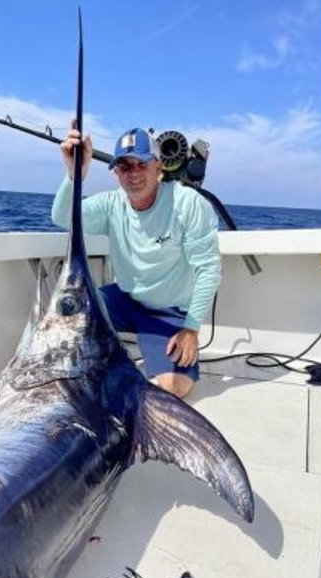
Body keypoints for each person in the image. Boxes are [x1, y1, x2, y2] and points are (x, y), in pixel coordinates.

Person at [51, 124, 221, 399]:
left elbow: (209, 269)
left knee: (173, 388)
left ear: (158, 167)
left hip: (170, 312)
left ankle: (136, 357)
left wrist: (191, 329)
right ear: (116, 172)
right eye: (125, 166)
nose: (133, 173)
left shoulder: (187, 203)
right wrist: (74, 174)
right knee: (67, 312)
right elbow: (62, 217)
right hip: (125, 300)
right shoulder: (110, 204)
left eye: (141, 164)